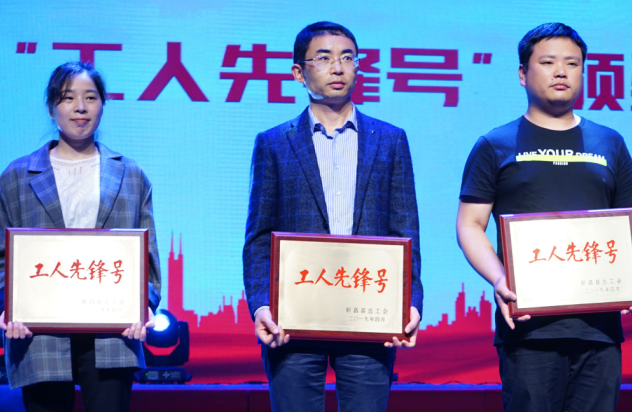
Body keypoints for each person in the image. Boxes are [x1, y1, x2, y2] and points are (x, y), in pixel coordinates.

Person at [243, 21, 423, 412]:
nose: (338, 68)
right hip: (293, 318)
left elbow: (405, 230)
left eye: (347, 58)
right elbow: (258, 236)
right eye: (323, 58)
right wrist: (261, 306)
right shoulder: (273, 143)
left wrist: (410, 302)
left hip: (368, 313)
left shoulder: (390, 139)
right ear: (298, 72)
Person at [456, 23, 632, 412]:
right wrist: (500, 279)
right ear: (523, 74)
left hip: (599, 328)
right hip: (528, 326)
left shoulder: (611, 143)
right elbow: (470, 224)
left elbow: (627, 224)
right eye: (548, 62)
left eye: (573, 63)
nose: (561, 71)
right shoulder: (495, 144)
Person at [0, 61, 161, 412]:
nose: (80, 107)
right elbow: (2, 256)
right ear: (51, 108)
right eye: (68, 97)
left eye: (90, 97)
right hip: (37, 331)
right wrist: (7, 304)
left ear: (103, 104)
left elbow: (146, 255)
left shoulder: (130, 174)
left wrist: (144, 306)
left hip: (113, 331)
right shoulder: (16, 175)